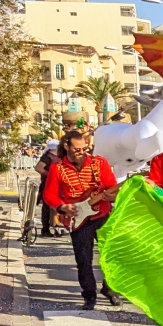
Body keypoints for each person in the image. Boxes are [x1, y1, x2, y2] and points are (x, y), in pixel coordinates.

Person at [43, 130, 120, 310]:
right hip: (77, 218)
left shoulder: (99, 163)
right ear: (66, 146)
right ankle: (89, 295)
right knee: (83, 260)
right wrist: (63, 207)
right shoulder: (57, 168)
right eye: (77, 149)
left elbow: (111, 187)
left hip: (101, 214)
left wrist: (111, 196)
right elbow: (49, 194)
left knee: (111, 255)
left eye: (84, 148)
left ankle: (110, 289)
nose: (81, 152)